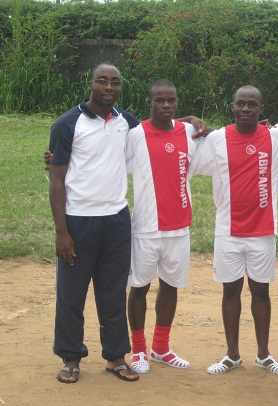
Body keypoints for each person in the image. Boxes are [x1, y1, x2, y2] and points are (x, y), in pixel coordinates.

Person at [48, 63, 139, 383]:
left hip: (116, 220)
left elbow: (158, 129)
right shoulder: (67, 124)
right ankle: (70, 358)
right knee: (71, 295)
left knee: (113, 293)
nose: (108, 87)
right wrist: (62, 232)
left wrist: (191, 121)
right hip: (78, 221)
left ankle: (115, 357)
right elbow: (56, 180)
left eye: (115, 82)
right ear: (91, 83)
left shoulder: (127, 122)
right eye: (102, 81)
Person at [194, 85, 278, 376]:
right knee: (230, 290)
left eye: (252, 104)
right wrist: (191, 120)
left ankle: (263, 354)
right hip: (228, 230)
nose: (246, 109)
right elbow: (187, 147)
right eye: (241, 104)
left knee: (261, 291)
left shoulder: (276, 138)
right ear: (232, 106)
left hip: (262, 230)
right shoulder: (217, 139)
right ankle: (232, 354)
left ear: (261, 109)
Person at [125, 80, 205, 373]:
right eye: (160, 100)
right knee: (139, 287)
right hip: (146, 227)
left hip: (179, 227)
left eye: (171, 100)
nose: (166, 105)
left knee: (171, 286)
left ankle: (161, 347)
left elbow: (209, 140)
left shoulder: (188, 132)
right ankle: (138, 350)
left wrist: (193, 121)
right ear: (150, 102)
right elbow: (107, 157)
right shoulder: (135, 135)